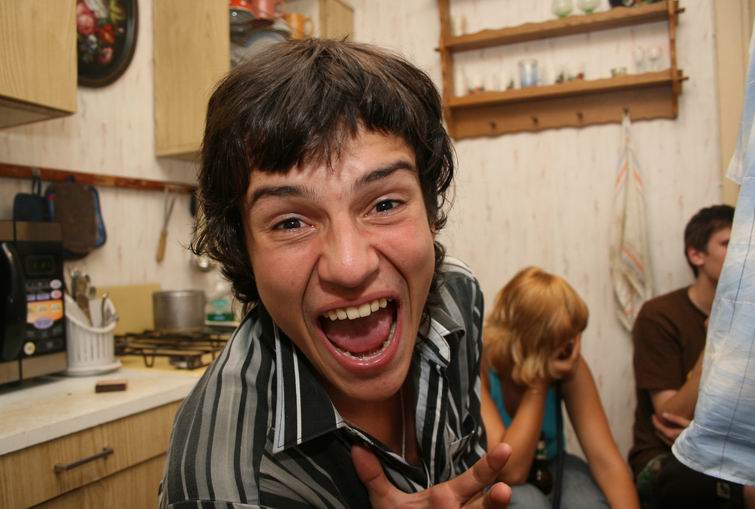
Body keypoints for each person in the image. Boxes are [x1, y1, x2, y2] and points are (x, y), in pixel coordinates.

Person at [158, 39, 511, 508]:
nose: (349, 266)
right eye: (291, 223)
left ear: (430, 211)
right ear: (244, 251)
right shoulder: (228, 490)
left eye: (384, 204)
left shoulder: (457, 295)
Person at [628, 204, 755, 508]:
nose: (745, 254)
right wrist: (717, 346)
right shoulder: (660, 316)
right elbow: (671, 417)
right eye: (730, 243)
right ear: (697, 255)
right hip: (665, 457)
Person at [481, 267, 639, 509]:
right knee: (528, 504)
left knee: (587, 504)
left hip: (553, 464)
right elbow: (511, 472)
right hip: (495, 478)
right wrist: (540, 381)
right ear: (529, 339)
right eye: (563, 339)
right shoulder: (481, 367)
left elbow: (606, 462)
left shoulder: (569, 365)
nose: (572, 349)